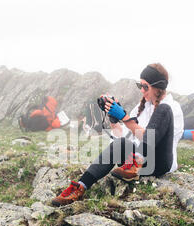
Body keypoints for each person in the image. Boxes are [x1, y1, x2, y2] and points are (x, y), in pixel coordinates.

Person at [51, 63, 184, 207]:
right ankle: (80, 187)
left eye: (145, 87)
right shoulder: (141, 108)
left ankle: (136, 162)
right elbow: (123, 139)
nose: (142, 91)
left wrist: (126, 119)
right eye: (140, 86)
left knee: (163, 109)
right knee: (120, 144)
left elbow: (152, 138)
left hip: (160, 162)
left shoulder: (172, 108)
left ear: (158, 87)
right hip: (134, 166)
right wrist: (113, 119)